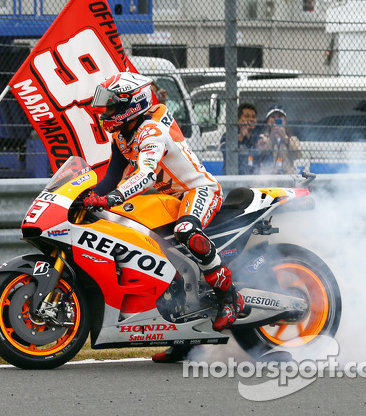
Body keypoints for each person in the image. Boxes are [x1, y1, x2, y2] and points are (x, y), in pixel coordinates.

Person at [83, 72, 245, 363]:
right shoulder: (122, 135)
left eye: (111, 105)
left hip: (198, 190)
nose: (105, 111)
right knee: (158, 253)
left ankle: (229, 296)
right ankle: (185, 340)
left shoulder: (151, 131)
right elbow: (110, 178)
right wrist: (86, 198)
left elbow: (144, 176)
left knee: (185, 230)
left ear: (130, 104)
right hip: (172, 199)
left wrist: (113, 198)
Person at [256, 104, 301, 174]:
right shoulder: (262, 137)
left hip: (287, 177)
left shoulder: (292, 139)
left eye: (279, 117)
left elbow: (298, 155)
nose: (276, 120)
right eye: (273, 117)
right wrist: (271, 138)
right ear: (268, 121)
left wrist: (285, 138)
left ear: (284, 120)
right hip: (268, 177)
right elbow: (261, 154)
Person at [219, 103, 262, 175]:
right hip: (233, 177)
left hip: (253, 179)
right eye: (247, 116)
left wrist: (264, 149)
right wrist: (240, 137)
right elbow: (225, 150)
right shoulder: (229, 136)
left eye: (253, 117)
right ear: (238, 119)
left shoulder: (257, 139)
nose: (251, 119)